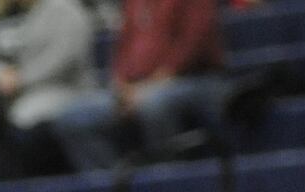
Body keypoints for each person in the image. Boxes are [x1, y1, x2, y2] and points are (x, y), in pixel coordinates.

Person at [51, 0, 226, 172]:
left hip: (192, 79)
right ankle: (114, 189)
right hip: (137, 88)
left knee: (153, 104)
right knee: (73, 118)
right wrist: (121, 85)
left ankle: (167, 180)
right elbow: (123, 47)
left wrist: (152, 85)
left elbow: (194, 43)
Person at [0, 0, 93, 185]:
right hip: (5, 92)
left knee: (26, 128)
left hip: (54, 92)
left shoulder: (64, 8)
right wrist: (0, 74)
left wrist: (22, 79)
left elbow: (66, 57)